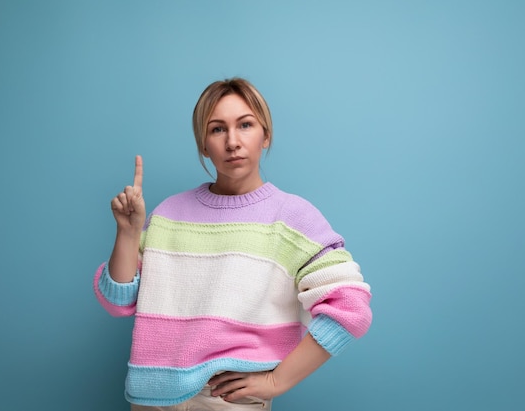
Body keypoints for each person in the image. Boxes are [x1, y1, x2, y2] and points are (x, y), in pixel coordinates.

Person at [93, 77, 372, 410]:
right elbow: (117, 301)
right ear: (203, 144)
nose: (233, 142)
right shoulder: (169, 213)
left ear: (265, 135)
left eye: (245, 125)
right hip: (151, 400)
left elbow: (350, 308)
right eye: (217, 129)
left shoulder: (291, 218)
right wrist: (127, 232)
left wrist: (275, 381)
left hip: (226, 402)